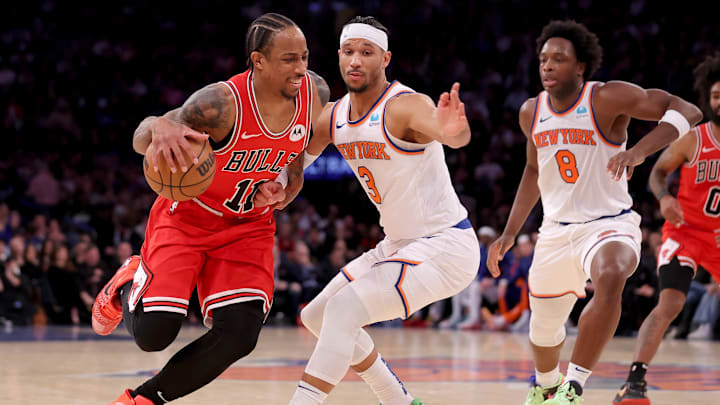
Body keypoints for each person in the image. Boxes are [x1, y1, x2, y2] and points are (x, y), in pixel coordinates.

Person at [90, 13, 328, 405]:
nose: (300, 68)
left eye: (304, 57)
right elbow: (141, 138)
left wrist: (281, 187)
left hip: (247, 227)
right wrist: (160, 124)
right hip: (187, 217)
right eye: (289, 59)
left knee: (240, 334)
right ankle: (127, 282)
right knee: (154, 335)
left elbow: (296, 160)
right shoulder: (221, 103)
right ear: (258, 60)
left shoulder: (314, 93)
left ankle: (143, 400)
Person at [487, 20, 702, 405]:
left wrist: (639, 151)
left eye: (559, 59)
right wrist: (508, 232)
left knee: (612, 272)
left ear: (581, 66)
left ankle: (574, 386)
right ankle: (546, 385)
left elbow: (686, 110)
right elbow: (534, 171)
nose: (548, 66)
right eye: (543, 59)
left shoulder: (606, 97)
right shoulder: (530, 112)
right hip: (554, 230)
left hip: (608, 223)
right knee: (544, 328)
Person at [282, 16, 479, 405]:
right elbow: (294, 166)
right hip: (398, 245)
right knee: (316, 317)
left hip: (445, 246)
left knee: (344, 309)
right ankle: (398, 400)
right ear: (339, 56)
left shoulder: (405, 106)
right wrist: (276, 188)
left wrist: (454, 129)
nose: (356, 60)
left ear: (385, 58)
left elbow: (452, 134)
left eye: (366, 53)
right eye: (349, 52)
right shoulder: (333, 115)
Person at [613, 51, 720, 405]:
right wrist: (663, 198)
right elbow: (658, 172)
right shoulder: (695, 138)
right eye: (716, 96)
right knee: (670, 303)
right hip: (685, 232)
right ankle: (635, 381)